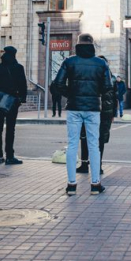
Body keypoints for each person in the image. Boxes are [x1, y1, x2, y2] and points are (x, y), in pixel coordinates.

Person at [51, 33, 112, 196]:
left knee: (72, 144)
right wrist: (95, 93)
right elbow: (108, 86)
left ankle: (71, 185)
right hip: (93, 109)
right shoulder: (101, 63)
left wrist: (70, 94)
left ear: (77, 44)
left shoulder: (69, 61)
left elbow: (58, 83)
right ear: (92, 45)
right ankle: (95, 184)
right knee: (94, 145)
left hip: (74, 108)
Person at [0, 46, 28, 165]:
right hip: (12, 103)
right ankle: (10, 156)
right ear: (14, 55)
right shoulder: (19, 68)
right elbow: (23, 86)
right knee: (10, 129)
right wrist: (20, 100)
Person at [77, 57, 116, 176]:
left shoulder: (110, 78)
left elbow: (114, 97)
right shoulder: (107, 77)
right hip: (97, 111)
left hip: (100, 111)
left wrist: (112, 113)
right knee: (88, 138)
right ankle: (88, 165)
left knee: (96, 139)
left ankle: (95, 166)